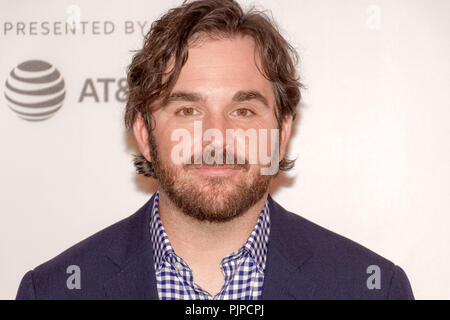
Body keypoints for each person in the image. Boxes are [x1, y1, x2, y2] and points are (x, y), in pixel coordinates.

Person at [16, 0, 414, 300]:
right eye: (188, 110)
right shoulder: (54, 290)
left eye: (243, 110)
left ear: (282, 130)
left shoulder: (371, 287)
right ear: (144, 132)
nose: (216, 137)